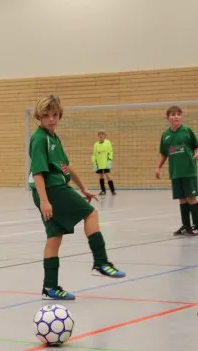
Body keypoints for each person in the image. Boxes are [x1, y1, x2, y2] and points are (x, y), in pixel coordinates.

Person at [28, 95, 126, 301]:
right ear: (39, 116)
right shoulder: (39, 139)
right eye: (46, 115)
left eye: (55, 115)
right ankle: (101, 262)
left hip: (52, 190)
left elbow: (66, 165)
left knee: (54, 236)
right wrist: (44, 200)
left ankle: (50, 287)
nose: (51, 119)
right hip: (52, 190)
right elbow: (37, 172)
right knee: (91, 214)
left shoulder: (53, 138)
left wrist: (83, 188)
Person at [155, 105, 198, 236]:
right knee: (182, 199)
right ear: (167, 118)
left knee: (191, 198)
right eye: (173, 114)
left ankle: (197, 226)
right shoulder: (165, 135)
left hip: (189, 171)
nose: (176, 117)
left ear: (181, 116)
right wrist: (158, 167)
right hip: (175, 172)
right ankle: (186, 225)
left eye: (178, 114)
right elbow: (164, 154)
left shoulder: (187, 131)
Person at [92, 130, 116, 195]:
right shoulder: (96, 144)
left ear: (105, 136)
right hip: (99, 163)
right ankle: (103, 191)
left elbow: (110, 152)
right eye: (99, 134)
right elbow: (94, 154)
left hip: (105, 163)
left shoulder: (107, 143)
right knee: (101, 177)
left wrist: (109, 159)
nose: (101, 135)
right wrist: (94, 162)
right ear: (98, 136)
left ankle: (112, 190)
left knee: (108, 176)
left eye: (102, 134)